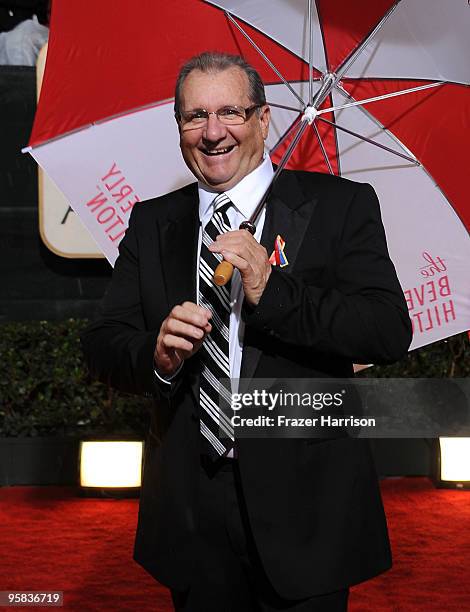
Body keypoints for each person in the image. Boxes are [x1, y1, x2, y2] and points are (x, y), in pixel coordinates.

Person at [81, 52, 412, 611]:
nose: (213, 133)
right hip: (191, 510)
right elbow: (102, 345)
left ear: (263, 120)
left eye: (231, 112)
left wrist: (272, 289)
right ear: (179, 127)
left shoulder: (340, 206)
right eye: (195, 116)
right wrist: (155, 354)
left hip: (307, 509)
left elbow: (385, 331)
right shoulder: (152, 221)